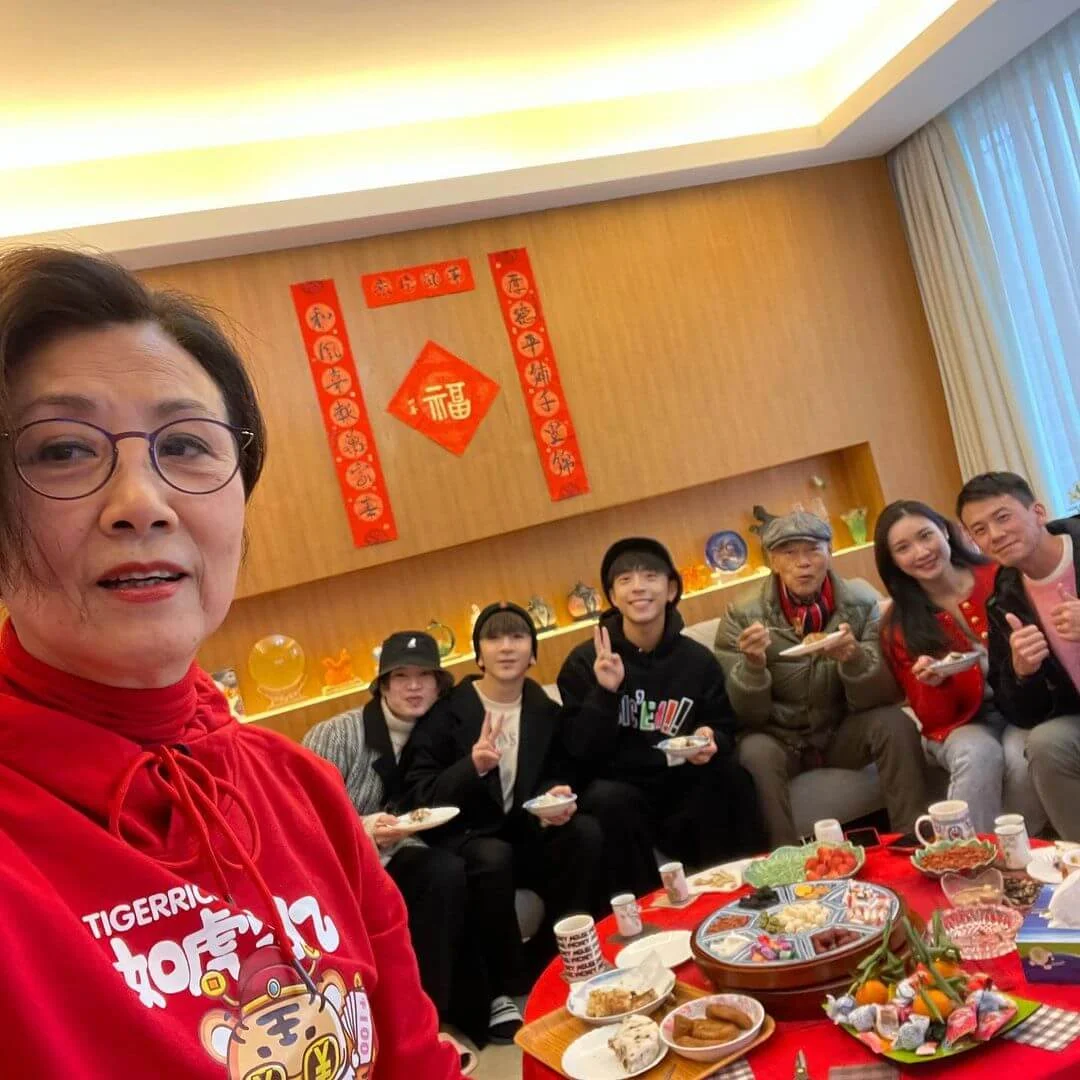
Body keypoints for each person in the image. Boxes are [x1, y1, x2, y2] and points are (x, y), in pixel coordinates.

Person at [0, 248, 459, 1078]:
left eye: (185, 444)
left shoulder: (303, 792)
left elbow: (414, 1061)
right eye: (62, 450)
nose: (141, 503)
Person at [401, 601, 604, 1043]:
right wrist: (471, 767)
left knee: (584, 832)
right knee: (492, 857)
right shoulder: (448, 713)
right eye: (494, 638)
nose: (506, 647)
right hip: (467, 837)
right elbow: (420, 794)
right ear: (479, 655)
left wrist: (554, 794)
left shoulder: (541, 708)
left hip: (523, 832)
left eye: (517, 637)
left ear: (533, 652)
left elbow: (556, 769)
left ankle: (561, 957)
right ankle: (505, 989)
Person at [303, 633, 482, 1061]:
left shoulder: (443, 732)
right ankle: (417, 1032)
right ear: (382, 685)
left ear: (440, 685)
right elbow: (304, 812)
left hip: (401, 854)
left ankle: (446, 1017)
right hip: (339, 868)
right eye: (401, 677)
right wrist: (365, 828)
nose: (414, 687)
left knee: (454, 870)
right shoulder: (338, 734)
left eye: (425, 676)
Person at [558, 538, 765, 899]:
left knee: (730, 777)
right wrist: (606, 693)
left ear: (670, 590)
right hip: (623, 790)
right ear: (613, 596)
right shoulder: (585, 662)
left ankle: (749, 890)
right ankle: (646, 912)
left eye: (650, 576)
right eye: (625, 580)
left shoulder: (696, 660)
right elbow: (580, 752)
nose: (638, 587)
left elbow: (723, 726)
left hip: (682, 781)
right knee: (609, 800)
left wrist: (710, 737)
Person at [716, 510, 927, 847]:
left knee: (894, 723)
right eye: (789, 553)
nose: (803, 563)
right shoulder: (742, 614)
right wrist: (753, 667)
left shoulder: (860, 603)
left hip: (840, 730)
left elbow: (883, 695)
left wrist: (854, 658)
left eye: (813, 550)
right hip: (780, 738)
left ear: (829, 552)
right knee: (754, 751)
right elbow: (743, 714)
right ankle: (785, 862)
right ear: (773, 561)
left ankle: (913, 841)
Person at [874, 499, 1044, 834]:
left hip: (1022, 706)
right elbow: (933, 719)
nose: (921, 552)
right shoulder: (898, 625)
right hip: (961, 722)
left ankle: (1016, 849)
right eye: (903, 548)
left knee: (1020, 755)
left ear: (946, 531)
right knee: (977, 753)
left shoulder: (999, 576)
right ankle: (963, 853)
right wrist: (932, 683)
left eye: (926, 535)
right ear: (893, 561)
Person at [957, 472, 1080, 839]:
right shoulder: (1004, 598)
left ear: (1038, 512)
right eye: (979, 530)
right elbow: (1019, 713)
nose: (995, 535)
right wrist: (1022, 672)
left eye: (1003, 517)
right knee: (1045, 742)